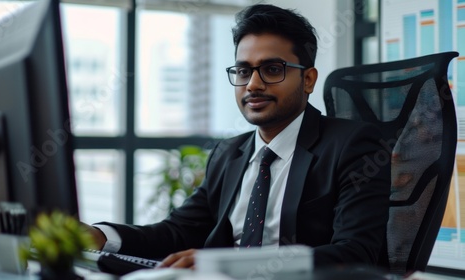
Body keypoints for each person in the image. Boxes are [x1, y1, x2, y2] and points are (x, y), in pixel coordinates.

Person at [86, 3, 390, 270]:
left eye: (272, 69)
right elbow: (177, 232)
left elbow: (355, 252)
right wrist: (101, 236)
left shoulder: (353, 145)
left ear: (308, 79)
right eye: (243, 71)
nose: (253, 84)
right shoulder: (228, 154)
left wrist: (230, 265)